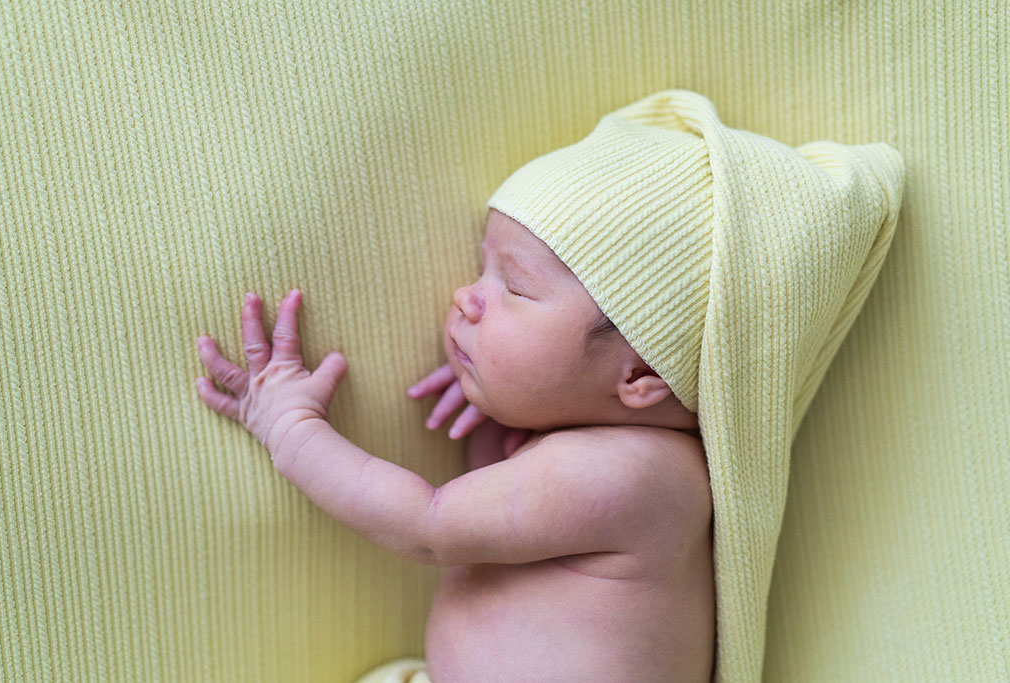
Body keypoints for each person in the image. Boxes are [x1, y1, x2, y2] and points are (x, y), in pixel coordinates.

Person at [195, 90, 904, 682]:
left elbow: (433, 525)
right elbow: (505, 548)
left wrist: (290, 427)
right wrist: (491, 407)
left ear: (640, 376)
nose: (467, 298)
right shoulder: (604, 465)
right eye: (482, 269)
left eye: (516, 289)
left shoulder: (633, 477)